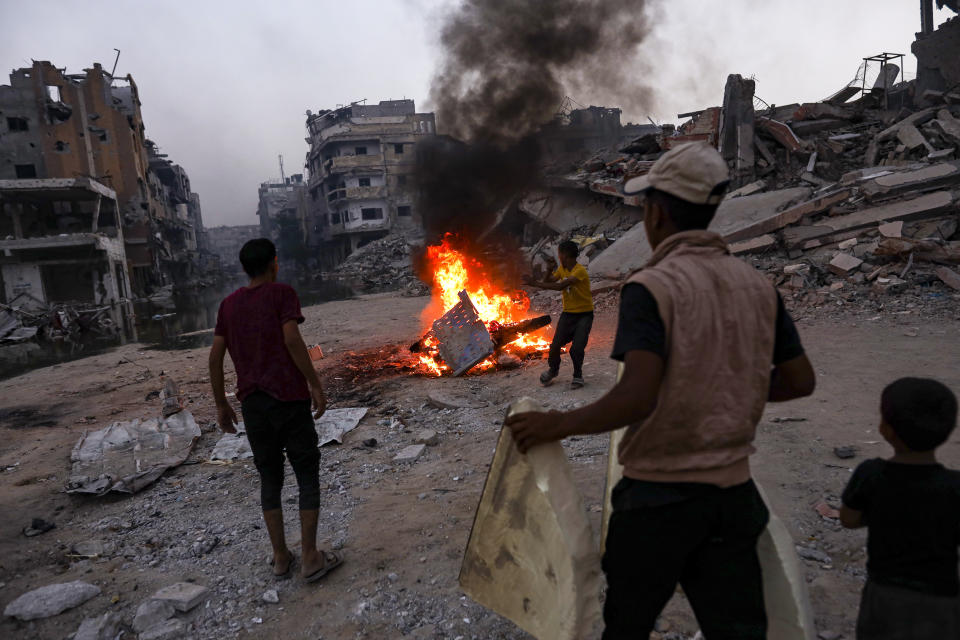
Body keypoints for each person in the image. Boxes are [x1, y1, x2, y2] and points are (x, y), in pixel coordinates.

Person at [506, 142, 816, 639]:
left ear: (652, 213)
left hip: (659, 501)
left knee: (628, 624)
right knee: (738, 627)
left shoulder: (652, 286)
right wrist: (728, 391)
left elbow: (638, 397)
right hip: (735, 498)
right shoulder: (757, 285)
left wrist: (555, 424)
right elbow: (800, 380)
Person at [209, 238, 343, 582]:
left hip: (253, 405)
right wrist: (314, 382)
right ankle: (311, 557)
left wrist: (222, 403)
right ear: (274, 263)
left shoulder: (228, 305)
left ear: (243, 268)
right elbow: (292, 339)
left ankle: (281, 557)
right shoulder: (281, 294)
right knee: (306, 472)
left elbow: (215, 356)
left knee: (270, 476)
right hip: (287, 398)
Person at [840, 377, 960, 639]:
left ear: (886, 429)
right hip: (942, 597)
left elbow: (848, 519)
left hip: (885, 592)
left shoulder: (871, 475)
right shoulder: (955, 487)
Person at [524, 240, 594, 389]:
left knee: (576, 348)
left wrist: (534, 283)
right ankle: (553, 370)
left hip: (584, 315)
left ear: (565, 255)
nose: (558, 256)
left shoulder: (579, 271)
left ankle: (578, 376)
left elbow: (559, 286)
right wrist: (549, 270)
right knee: (555, 346)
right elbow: (548, 280)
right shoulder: (563, 269)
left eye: (559, 253)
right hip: (568, 315)